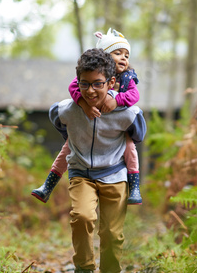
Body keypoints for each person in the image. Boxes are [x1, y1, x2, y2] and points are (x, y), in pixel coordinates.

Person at [47, 48, 147, 273]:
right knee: (82, 217)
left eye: (97, 84)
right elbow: (55, 116)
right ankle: (84, 268)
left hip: (115, 174)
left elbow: (139, 132)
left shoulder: (127, 113)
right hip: (81, 172)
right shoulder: (70, 108)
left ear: (111, 83)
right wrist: (73, 136)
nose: (90, 91)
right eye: (84, 84)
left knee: (112, 233)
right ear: (78, 82)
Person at [32, 28, 143, 205]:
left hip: (116, 129)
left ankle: (135, 185)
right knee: (68, 148)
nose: (124, 58)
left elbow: (134, 96)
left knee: (130, 148)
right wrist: (84, 105)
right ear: (105, 56)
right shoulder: (89, 74)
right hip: (86, 128)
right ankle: (48, 184)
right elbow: (73, 88)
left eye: (126, 55)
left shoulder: (127, 77)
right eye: (118, 53)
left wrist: (117, 101)